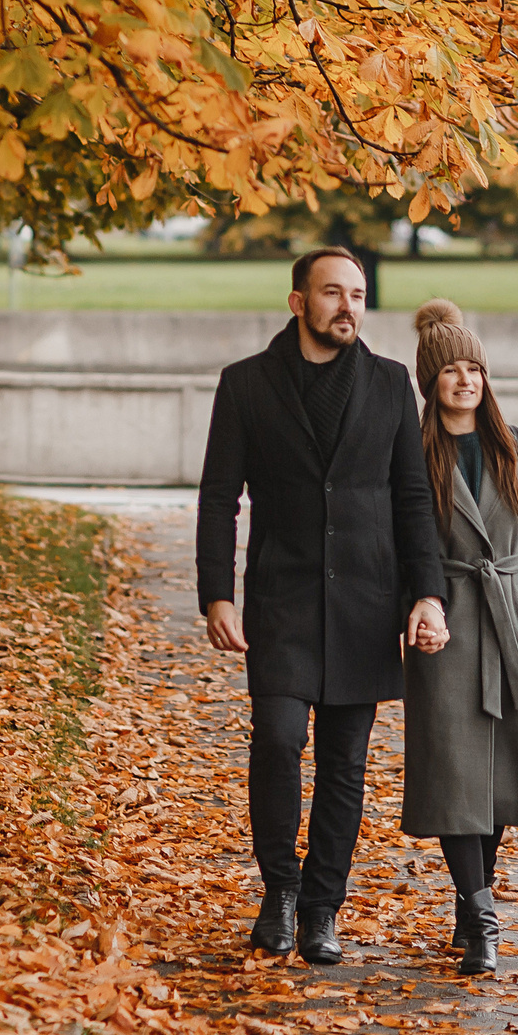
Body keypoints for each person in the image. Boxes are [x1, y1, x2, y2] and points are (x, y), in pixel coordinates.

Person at [196, 248, 449, 965]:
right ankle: (279, 890)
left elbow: (412, 499)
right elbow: (219, 497)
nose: (348, 306)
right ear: (297, 301)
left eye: (358, 295)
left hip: (367, 600)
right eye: (333, 292)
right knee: (278, 740)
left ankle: (321, 908)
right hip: (281, 600)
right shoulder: (246, 383)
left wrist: (427, 593)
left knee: (345, 763)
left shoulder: (391, 382)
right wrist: (217, 593)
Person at [399, 298, 518, 976]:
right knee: (454, 776)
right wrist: (416, 608)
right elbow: (398, 545)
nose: (465, 380)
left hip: (507, 625)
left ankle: (473, 908)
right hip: (442, 629)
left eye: (474, 368)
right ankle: (482, 913)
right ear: (430, 380)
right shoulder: (412, 453)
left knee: (496, 780)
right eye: (451, 370)